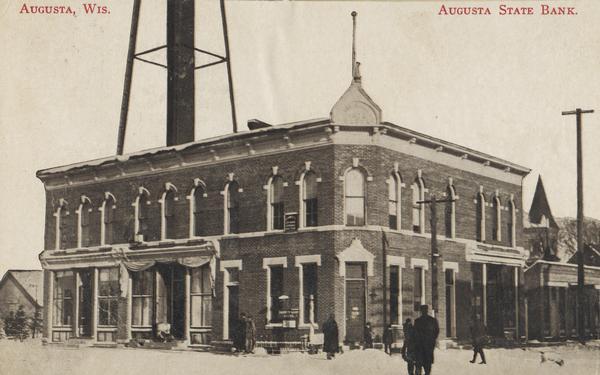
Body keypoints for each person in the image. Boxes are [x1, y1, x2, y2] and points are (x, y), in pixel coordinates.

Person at [413, 305, 439, 375]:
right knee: (427, 368)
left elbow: (414, 335)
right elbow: (436, 332)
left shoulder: (417, 321)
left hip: (421, 348)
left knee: (420, 367)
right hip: (427, 348)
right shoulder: (433, 320)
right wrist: (432, 341)